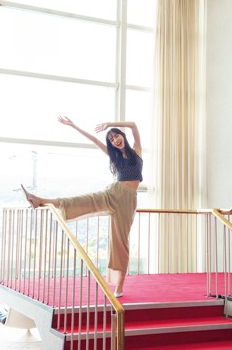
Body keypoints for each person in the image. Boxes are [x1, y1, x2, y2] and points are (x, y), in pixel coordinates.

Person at [21, 116, 143, 298]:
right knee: (83, 200)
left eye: (116, 136)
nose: (115, 140)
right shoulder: (114, 157)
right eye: (111, 139)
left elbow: (133, 125)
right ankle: (40, 200)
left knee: (121, 243)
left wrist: (110, 124)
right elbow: (93, 140)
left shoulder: (137, 151)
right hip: (113, 193)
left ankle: (120, 286)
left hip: (127, 201)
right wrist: (74, 126)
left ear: (122, 136)